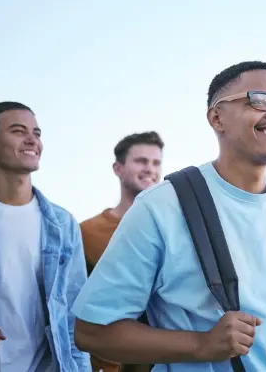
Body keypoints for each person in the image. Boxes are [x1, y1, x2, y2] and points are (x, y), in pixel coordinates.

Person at [72, 61, 266, 371]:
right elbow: (91, 332)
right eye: (260, 100)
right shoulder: (162, 206)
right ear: (217, 117)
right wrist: (201, 345)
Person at [0, 102, 91, 372]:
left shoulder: (63, 224)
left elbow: (73, 319)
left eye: (37, 133)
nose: (32, 140)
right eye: (18, 131)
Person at [80, 131, 164, 372]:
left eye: (156, 162)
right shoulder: (87, 232)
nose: (150, 169)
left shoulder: (172, 229)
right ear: (118, 168)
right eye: (141, 161)